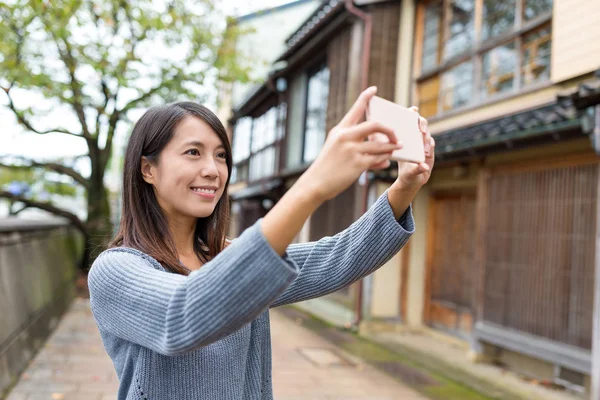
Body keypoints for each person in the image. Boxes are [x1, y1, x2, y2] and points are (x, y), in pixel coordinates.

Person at [87, 86, 435, 399]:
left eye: (221, 155)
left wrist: (404, 188)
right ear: (148, 170)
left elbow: (334, 259)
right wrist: (311, 185)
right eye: (193, 152)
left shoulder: (226, 255)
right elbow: (182, 314)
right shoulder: (116, 270)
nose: (213, 169)